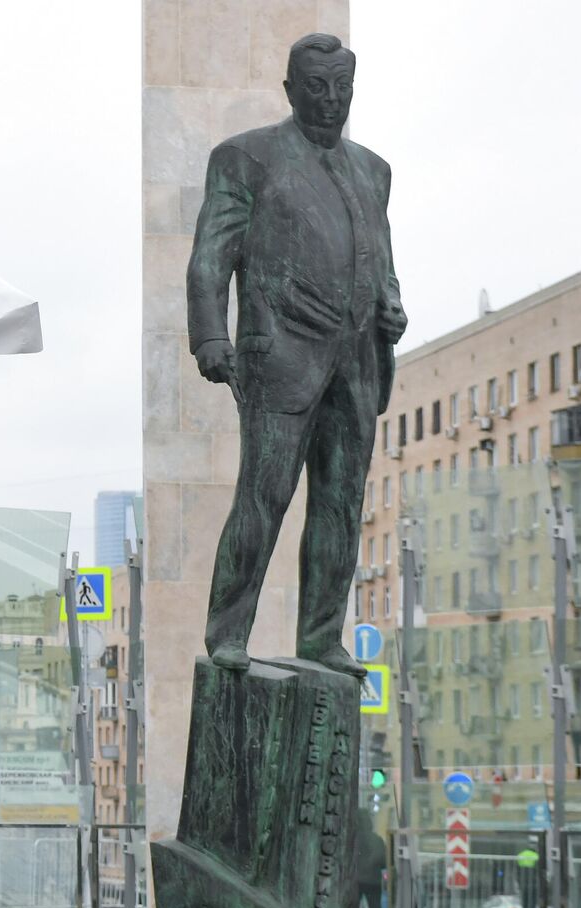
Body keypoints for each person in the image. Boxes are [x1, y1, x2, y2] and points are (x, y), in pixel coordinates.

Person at [188, 32, 408, 672]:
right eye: (317, 86)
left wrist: (392, 302)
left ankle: (321, 638)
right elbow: (210, 258)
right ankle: (227, 633)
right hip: (280, 355)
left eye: (342, 86)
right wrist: (209, 336)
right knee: (263, 496)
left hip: (358, 361)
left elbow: (381, 258)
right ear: (290, 89)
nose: (332, 99)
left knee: (341, 506)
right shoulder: (245, 157)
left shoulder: (374, 170)